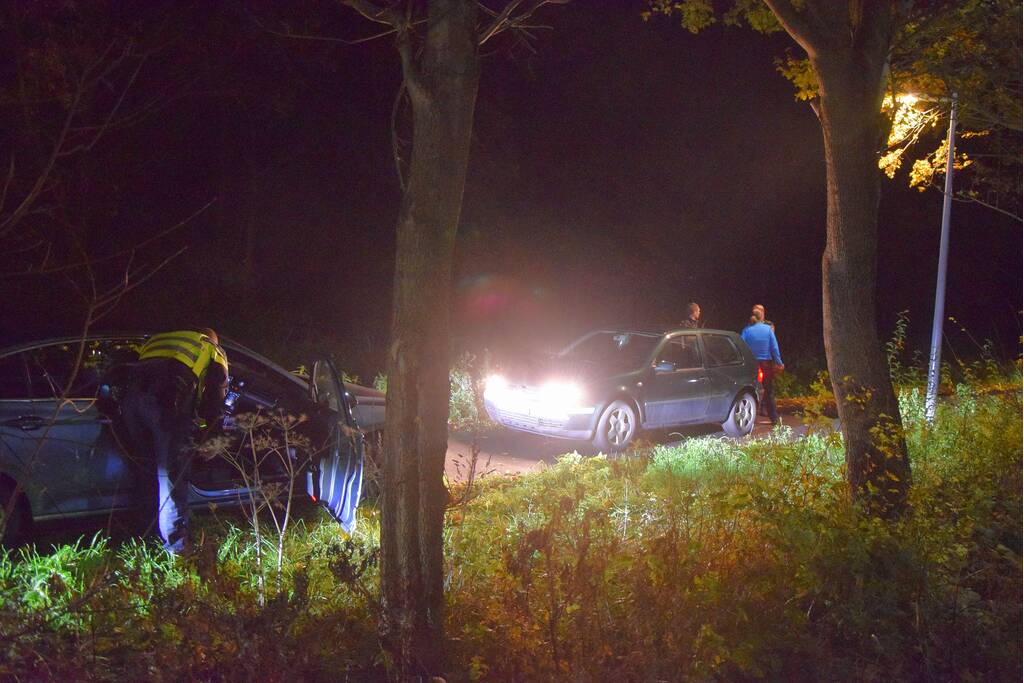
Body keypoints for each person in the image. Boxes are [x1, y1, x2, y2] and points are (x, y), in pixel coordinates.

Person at [119, 329, 228, 554]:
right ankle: (177, 548)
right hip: (165, 403)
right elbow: (215, 395)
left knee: (147, 470)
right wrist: (214, 435)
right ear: (213, 339)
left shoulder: (159, 339)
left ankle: (146, 537)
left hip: (131, 405)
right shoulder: (210, 347)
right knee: (171, 476)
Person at [741, 305, 784, 426]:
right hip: (766, 365)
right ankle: (774, 418)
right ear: (762, 317)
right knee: (768, 391)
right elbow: (774, 348)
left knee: (749, 390)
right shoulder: (768, 329)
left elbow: (741, 346)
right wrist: (779, 363)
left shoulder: (746, 330)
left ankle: (748, 418)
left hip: (751, 365)